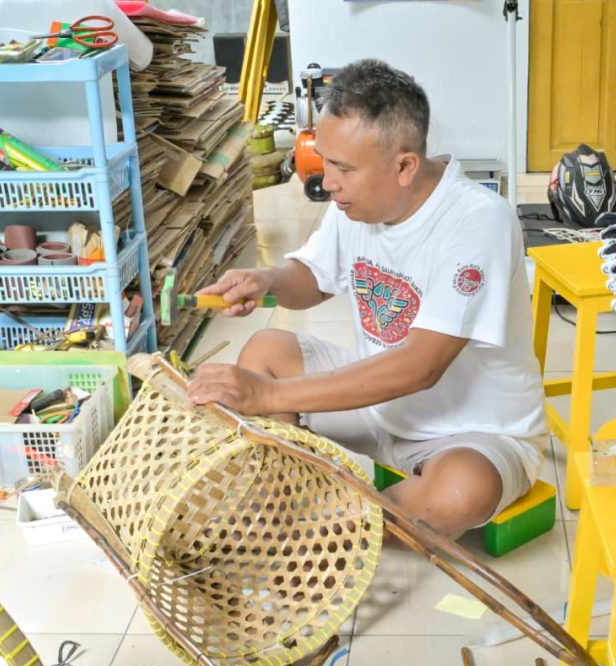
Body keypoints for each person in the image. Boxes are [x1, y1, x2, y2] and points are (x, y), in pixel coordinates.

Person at [187, 59, 546, 540]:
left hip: (468, 431)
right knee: (266, 350)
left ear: (404, 167)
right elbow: (312, 279)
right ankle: (296, 498)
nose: (327, 180)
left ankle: (314, 527)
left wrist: (268, 396)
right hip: (376, 408)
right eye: (325, 160)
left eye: (342, 168)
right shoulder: (356, 201)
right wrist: (266, 279)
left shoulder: (478, 221)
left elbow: (419, 368)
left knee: (462, 491)